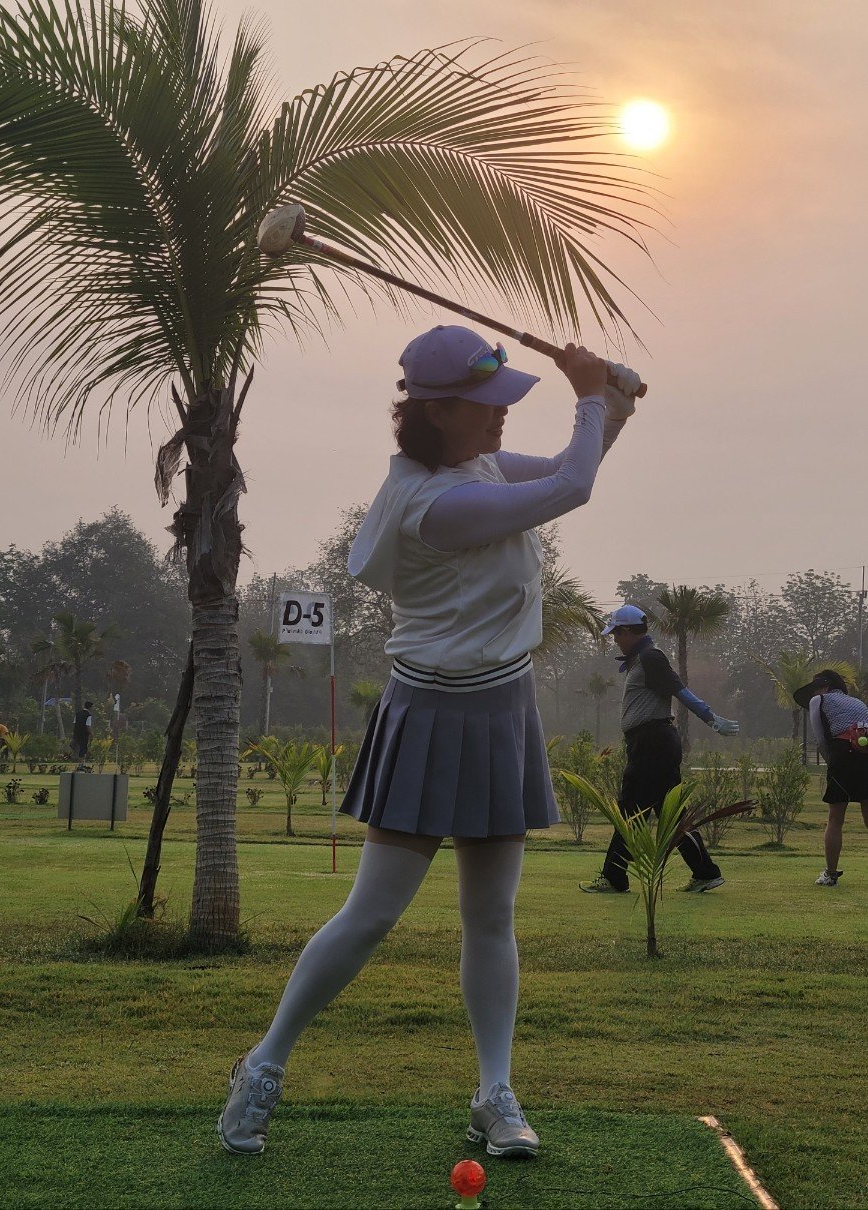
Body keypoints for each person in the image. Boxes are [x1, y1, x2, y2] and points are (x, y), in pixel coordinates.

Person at [218, 324, 641, 1159]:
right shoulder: (438, 506)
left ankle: (494, 1093)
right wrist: (589, 392)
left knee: (490, 915)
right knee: (371, 913)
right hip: (429, 711)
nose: (500, 420)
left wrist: (609, 406)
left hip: (499, 708)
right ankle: (262, 1066)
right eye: (486, 406)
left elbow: (565, 467)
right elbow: (571, 490)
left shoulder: (469, 467)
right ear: (437, 411)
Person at [579, 605, 739, 895]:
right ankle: (705, 872)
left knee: (631, 811)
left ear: (627, 631)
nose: (615, 639)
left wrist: (710, 718)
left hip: (652, 744)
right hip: (652, 742)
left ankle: (614, 877)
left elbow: (680, 691)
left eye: (616, 633)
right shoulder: (642, 659)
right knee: (671, 814)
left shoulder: (651, 658)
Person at [794, 669, 868, 886]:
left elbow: (819, 736)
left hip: (842, 753)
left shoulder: (820, 699)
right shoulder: (858, 703)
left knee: (836, 818)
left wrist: (830, 760)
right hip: (865, 754)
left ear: (824, 687)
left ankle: (831, 874)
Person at [71, 701, 93, 767]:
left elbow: (75, 723)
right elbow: (88, 726)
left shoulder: (77, 714)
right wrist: (91, 734)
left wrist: (74, 734)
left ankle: (80, 761)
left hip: (77, 733)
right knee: (83, 748)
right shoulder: (88, 715)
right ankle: (80, 765)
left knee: (78, 747)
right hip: (84, 734)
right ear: (90, 707)